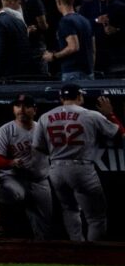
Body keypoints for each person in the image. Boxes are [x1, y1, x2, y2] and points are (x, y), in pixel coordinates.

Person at [41, 85, 119, 241]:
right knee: (96, 217)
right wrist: (109, 114)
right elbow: (117, 133)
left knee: (69, 210)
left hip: (56, 168)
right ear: (79, 97)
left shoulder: (45, 117)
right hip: (81, 167)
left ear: (61, 98)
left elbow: (38, 146)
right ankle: (92, 252)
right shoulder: (91, 115)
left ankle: (76, 247)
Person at [0, 91, 57, 238]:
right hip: (14, 178)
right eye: (18, 106)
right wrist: (10, 162)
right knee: (14, 194)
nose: (21, 110)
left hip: (40, 180)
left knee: (45, 228)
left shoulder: (43, 129)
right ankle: (0, 217)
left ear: (34, 110)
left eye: (26, 106)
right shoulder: (5, 130)